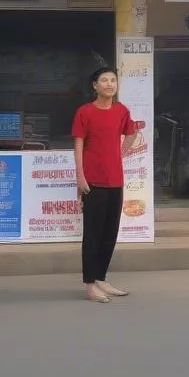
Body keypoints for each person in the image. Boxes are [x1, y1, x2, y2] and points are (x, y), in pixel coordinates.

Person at [72, 67, 138, 304]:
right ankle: (89, 285)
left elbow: (132, 133)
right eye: (104, 80)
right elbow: (79, 145)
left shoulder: (121, 111)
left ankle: (101, 278)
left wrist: (119, 153)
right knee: (93, 234)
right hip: (93, 181)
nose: (109, 84)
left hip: (115, 180)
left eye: (113, 80)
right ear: (95, 85)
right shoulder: (85, 112)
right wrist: (80, 176)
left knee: (110, 233)